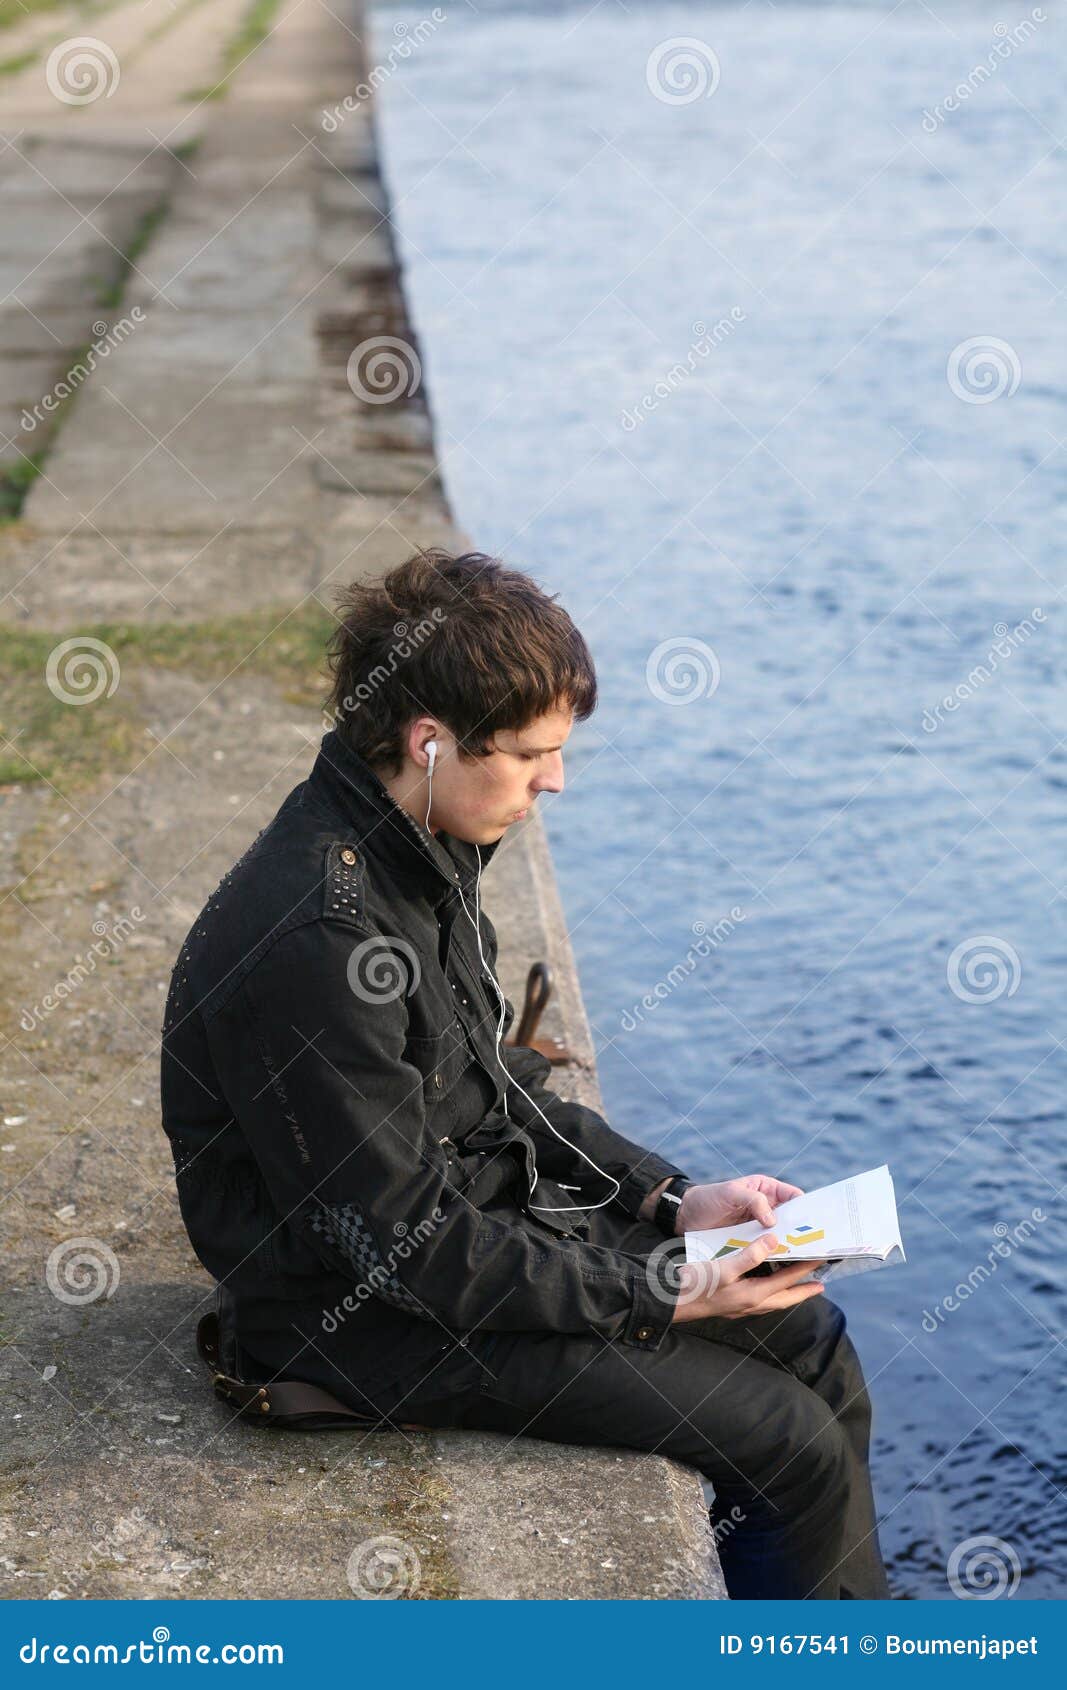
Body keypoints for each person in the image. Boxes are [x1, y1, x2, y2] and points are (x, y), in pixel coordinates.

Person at [160, 545, 891, 1600]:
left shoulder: (415, 843)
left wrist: (674, 1202)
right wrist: (659, 1287)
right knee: (788, 1442)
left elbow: (492, 1086)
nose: (555, 779)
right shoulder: (322, 938)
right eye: (533, 753)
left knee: (810, 1337)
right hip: (353, 1318)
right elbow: (409, 1249)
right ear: (430, 741)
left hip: (463, 1232)